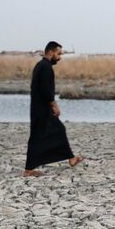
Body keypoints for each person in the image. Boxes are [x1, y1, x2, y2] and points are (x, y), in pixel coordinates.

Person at [24, 41, 84, 177]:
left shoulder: (41, 65)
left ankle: (71, 158)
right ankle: (29, 170)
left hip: (38, 108)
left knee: (51, 132)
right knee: (46, 134)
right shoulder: (45, 67)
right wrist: (54, 105)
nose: (60, 57)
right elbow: (46, 90)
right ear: (50, 53)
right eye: (58, 54)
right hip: (42, 109)